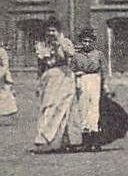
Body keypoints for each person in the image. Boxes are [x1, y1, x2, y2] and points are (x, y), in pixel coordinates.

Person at [32, 26, 80, 154]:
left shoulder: (65, 43)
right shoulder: (42, 45)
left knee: (65, 107)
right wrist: (38, 84)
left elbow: (71, 57)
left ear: (59, 32)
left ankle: (69, 141)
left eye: (54, 31)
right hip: (49, 79)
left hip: (64, 77)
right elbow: (40, 65)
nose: (51, 33)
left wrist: (60, 45)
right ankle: (44, 139)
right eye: (48, 30)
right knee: (48, 107)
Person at [70, 29, 105, 150]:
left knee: (94, 107)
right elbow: (72, 70)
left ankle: (95, 139)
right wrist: (76, 76)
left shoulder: (98, 54)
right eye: (84, 41)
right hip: (82, 80)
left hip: (95, 79)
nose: (86, 44)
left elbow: (103, 70)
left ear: (93, 42)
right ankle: (85, 141)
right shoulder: (76, 55)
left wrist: (106, 85)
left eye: (89, 41)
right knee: (83, 108)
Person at [0, 43, 18, 121]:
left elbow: (5, 64)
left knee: (5, 94)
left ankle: (9, 111)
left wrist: (1, 73)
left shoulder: (2, 51)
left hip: (3, 76)